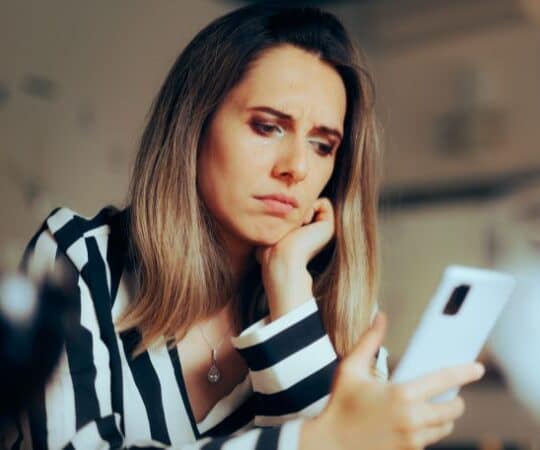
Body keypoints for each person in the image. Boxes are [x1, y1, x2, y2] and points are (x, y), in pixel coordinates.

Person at [5, 5, 484, 450]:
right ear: (194, 124)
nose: (296, 167)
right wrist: (315, 442)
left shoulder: (343, 315)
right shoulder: (81, 259)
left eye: (322, 145)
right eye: (267, 126)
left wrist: (291, 291)